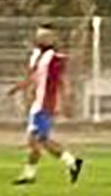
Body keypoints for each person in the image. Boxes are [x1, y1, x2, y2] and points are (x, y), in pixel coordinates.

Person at [11, 26, 83, 186]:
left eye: (46, 36)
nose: (41, 39)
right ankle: (67, 163)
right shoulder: (36, 55)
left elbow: (62, 81)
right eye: (40, 35)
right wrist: (20, 87)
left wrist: (65, 101)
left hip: (46, 103)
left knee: (37, 140)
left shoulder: (55, 58)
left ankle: (69, 162)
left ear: (53, 39)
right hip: (36, 103)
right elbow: (32, 75)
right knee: (37, 140)